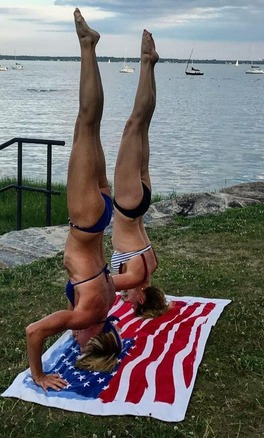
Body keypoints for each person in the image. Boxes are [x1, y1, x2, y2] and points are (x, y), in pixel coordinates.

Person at [25, 8, 122, 392]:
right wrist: (38, 374)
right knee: (85, 121)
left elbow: (111, 277)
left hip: (101, 215)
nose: (74, 343)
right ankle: (88, 46)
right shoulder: (84, 316)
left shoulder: (108, 305)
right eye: (80, 345)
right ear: (91, 335)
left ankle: (89, 47)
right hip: (84, 217)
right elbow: (35, 332)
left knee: (91, 124)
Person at [110, 28, 170, 319]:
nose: (124, 298)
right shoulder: (135, 276)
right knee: (134, 123)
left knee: (142, 124)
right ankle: (147, 62)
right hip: (128, 204)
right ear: (143, 293)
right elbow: (99, 283)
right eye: (131, 301)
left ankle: (150, 63)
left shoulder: (151, 266)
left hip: (141, 200)